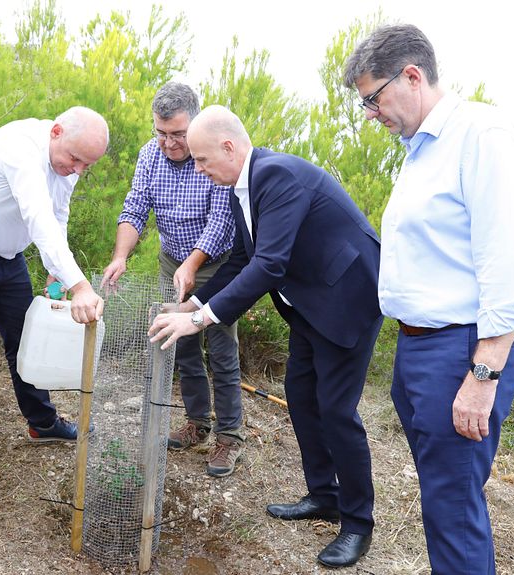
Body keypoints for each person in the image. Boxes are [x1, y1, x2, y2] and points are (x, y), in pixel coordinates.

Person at [344, 24, 514, 574]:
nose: (369, 112)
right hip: (421, 349)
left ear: (411, 77)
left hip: (463, 351)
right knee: (444, 498)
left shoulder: (483, 135)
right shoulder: (421, 150)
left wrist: (482, 378)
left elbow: (508, 266)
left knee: (453, 508)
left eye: (373, 97)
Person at [148, 105, 383, 568]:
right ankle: (323, 495)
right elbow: (243, 257)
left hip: (345, 300)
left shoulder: (276, 176)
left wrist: (200, 322)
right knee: (300, 395)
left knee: (336, 410)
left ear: (229, 147)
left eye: (200, 159)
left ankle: (358, 523)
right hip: (309, 304)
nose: (196, 168)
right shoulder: (240, 186)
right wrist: (192, 305)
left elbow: (269, 264)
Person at [0, 107, 109, 504]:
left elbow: (58, 215)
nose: (78, 170)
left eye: (88, 164)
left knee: (27, 343)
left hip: (8, 258)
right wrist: (80, 285)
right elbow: (37, 216)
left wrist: (57, 270)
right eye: (75, 159)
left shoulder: (66, 163)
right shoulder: (20, 147)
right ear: (55, 132)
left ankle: (42, 422)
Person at [101, 82, 243, 477]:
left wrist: (193, 266)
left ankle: (230, 437)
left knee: (221, 346)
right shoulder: (150, 156)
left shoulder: (210, 155)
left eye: (178, 134)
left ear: (194, 125)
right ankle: (198, 422)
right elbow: (135, 207)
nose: (169, 143)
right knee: (180, 342)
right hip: (172, 260)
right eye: (161, 133)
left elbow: (220, 222)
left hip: (214, 263)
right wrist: (120, 257)